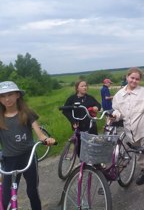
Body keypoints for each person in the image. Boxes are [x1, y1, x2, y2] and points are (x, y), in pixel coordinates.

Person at [0, 81, 56, 210]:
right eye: (2, 96)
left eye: (10, 94)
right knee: (6, 195)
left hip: (28, 157)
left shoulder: (26, 113)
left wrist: (46, 139)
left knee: (32, 191)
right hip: (9, 160)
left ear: (17, 95)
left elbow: (40, 134)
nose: (7, 99)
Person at [111, 67, 144, 196]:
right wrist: (116, 114)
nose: (134, 81)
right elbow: (116, 109)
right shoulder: (119, 95)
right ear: (127, 77)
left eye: (137, 79)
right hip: (131, 133)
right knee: (140, 155)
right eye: (132, 78)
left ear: (139, 80)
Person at [62, 80, 101, 155]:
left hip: (90, 125)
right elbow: (65, 110)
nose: (85, 87)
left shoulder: (90, 98)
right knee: (79, 145)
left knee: (93, 143)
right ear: (77, 88)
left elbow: (98, 105)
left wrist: (96, 107)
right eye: (82, 86)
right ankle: (82, 163)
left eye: (86, 86)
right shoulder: (72, 99)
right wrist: (72, 121)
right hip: (78, 124)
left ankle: (96, 163)